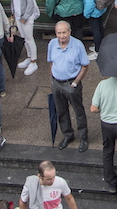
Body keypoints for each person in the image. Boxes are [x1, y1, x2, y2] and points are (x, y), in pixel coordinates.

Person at [48, 20, 90, 152]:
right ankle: (68, 135)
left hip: (71, 83)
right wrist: (52, 79)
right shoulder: (52, 44)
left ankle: (83, 138)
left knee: (78, 111)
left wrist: (76, 82)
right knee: (61, 111)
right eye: (59, 33)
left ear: (69, 32)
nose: (61, 36)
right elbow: (51, 62)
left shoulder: (78, 45)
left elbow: (85, 65)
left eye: (64, 32)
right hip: (56, 83)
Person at [9, 0, 40, 76]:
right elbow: (13, 1)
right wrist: (14, 13)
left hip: (26, 17)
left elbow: (30, 4)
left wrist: (25, 17)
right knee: (24, 38)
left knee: (29, 38)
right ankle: (29, 57)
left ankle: (33, 61)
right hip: (18, 16)